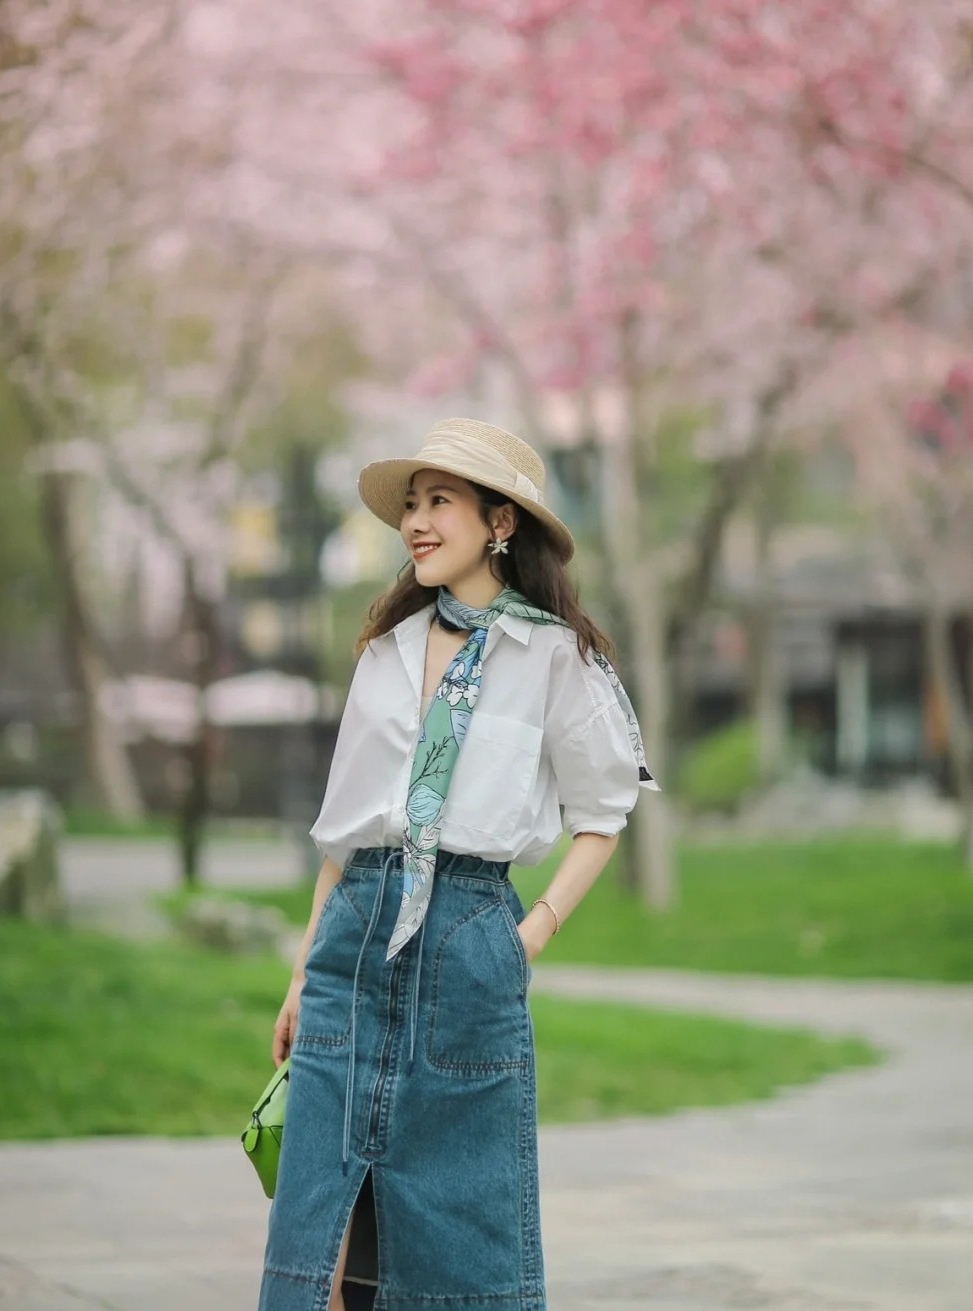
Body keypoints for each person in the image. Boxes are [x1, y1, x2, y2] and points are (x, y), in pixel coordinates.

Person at [257, 417, 657, 1311]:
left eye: (440, 501)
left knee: (459, 1240)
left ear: (500, 522)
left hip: (471, 936)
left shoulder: (558, 658)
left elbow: (605, 811)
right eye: (412, 504)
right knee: (318, 1231)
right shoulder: (384, 652)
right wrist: (298, 975)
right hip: (353, 936)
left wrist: (529, 935)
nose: (417, 522)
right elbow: (343, 838)